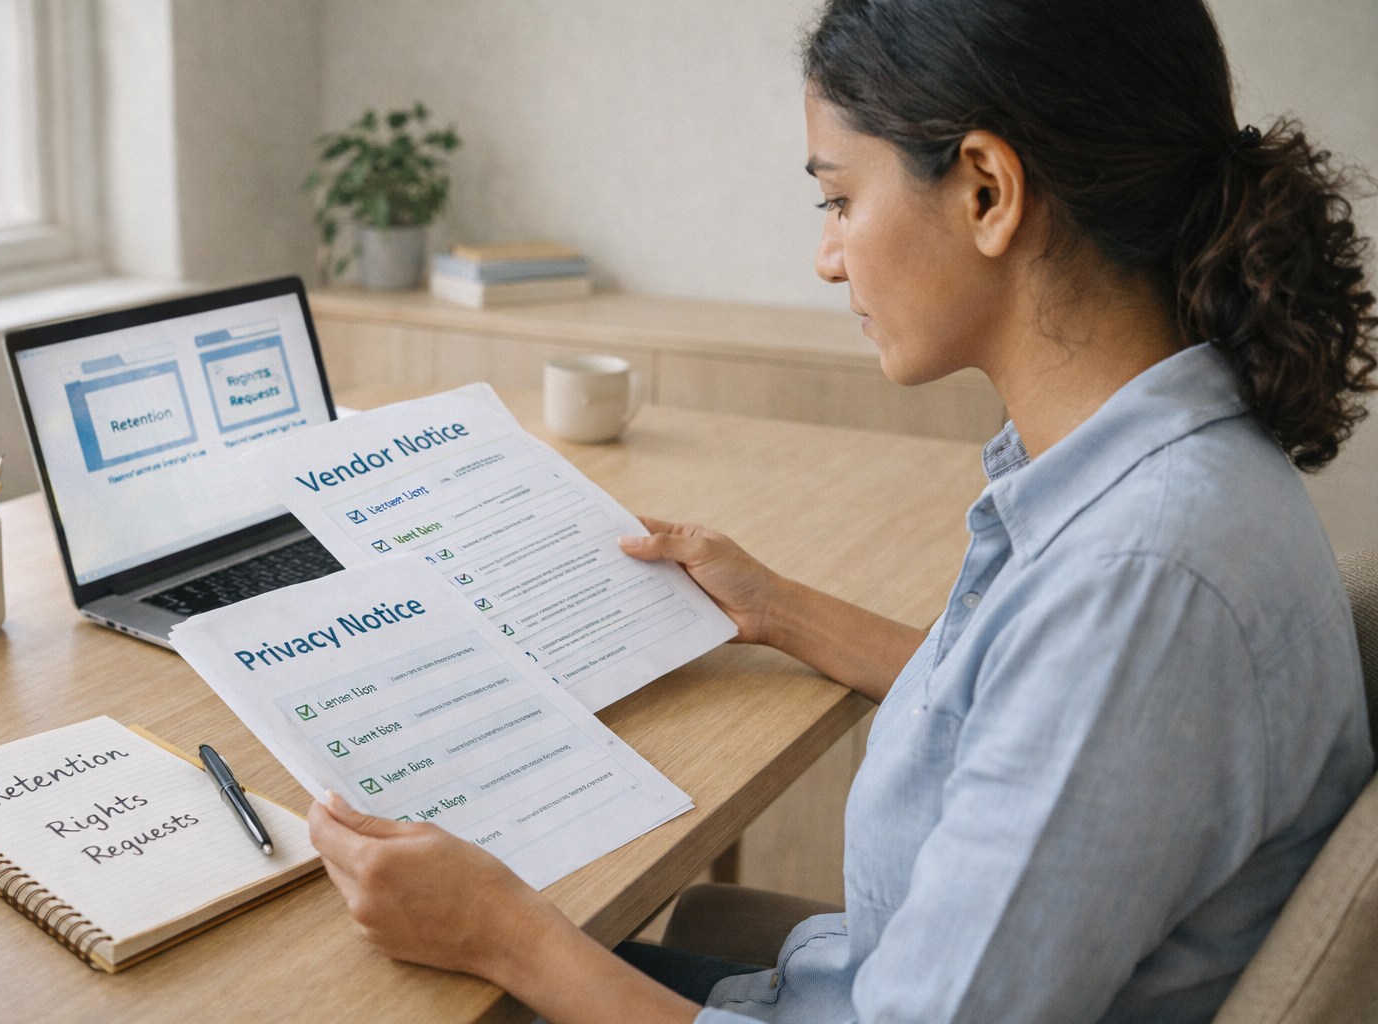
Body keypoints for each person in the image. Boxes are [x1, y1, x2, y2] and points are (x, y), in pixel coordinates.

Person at [306, 0, 1377, 1020]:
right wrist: (776, 608)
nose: (827, 258)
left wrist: (505, 936)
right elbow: (1022, 714)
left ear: (988, 192)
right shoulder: (1157, 486)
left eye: (839, 201)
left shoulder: (1139, 584)